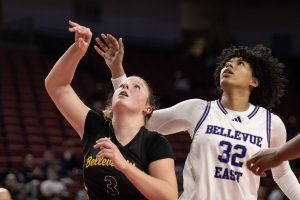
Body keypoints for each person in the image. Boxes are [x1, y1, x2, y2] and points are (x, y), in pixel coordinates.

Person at [96, 33, 300, 199]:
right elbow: (139, 120)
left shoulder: (271, 123)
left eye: (239, 64)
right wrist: (117, 72)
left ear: (254, 81)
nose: (229, 65)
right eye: (228, 63)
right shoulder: (198, 109)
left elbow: (282, 173)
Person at [45, 20, 178, 200]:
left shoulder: (154, 142)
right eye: (122, 85)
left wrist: (123, 165)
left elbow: (169, 197)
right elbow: (56, 85)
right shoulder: (94, 126)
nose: (125, 87)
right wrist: (78, 49)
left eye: (136, 86)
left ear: (148, 108)